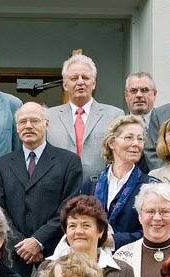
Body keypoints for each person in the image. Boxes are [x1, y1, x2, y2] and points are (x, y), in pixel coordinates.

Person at [0, 102, 82, 277]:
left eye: (34, 120)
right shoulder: (2, 164)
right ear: (17, 128)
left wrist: (39, 241)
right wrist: (22, 245)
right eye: (23, 122)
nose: (28, 126)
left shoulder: (68, 161)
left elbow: (69, 207)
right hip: (14, 255)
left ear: (46, 124)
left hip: (54, 253)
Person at [47, 54, 125, 183]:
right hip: (59, 189)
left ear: (93, 83)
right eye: (74, 78)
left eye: (85, 77)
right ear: (65, 85)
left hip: (101, 189)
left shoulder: (115, 115)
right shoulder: (49, 117)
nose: (80, 82)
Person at [84, 114, 157, 250]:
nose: (136, 144)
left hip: (131, 262)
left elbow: (156, 230)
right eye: (129, 137)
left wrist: (114, 240)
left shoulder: (151, 186)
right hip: (92, 261)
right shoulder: (91, 184)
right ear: (112, 143)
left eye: (140, 139)